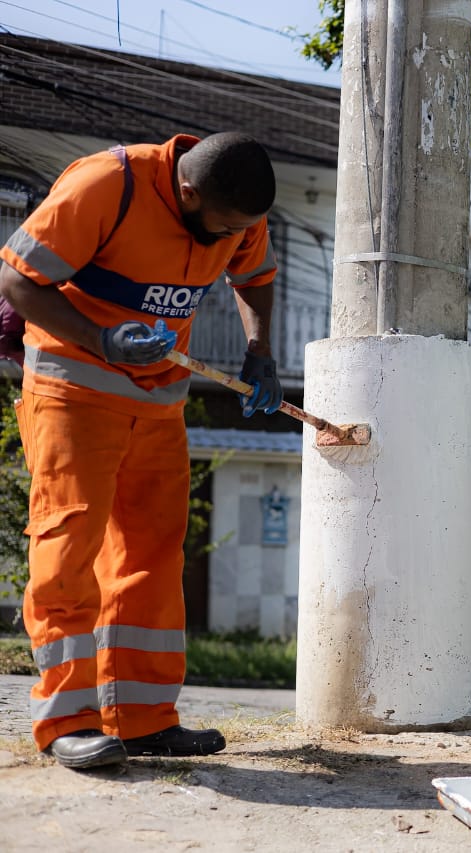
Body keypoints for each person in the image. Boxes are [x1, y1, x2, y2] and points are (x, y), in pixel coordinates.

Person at [0, 133, 282, 770]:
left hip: (159, 403)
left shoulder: (236, 212)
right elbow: (17, 282)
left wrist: (260, 350)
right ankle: (66, 721)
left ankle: (142, 719)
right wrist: (102, 338)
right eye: (228, 227)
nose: (236, 238)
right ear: (187, 193)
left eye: (247, 227)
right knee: (68, 547)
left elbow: (256, 276)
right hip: (74, 387)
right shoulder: (108, 184)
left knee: (153, 552)